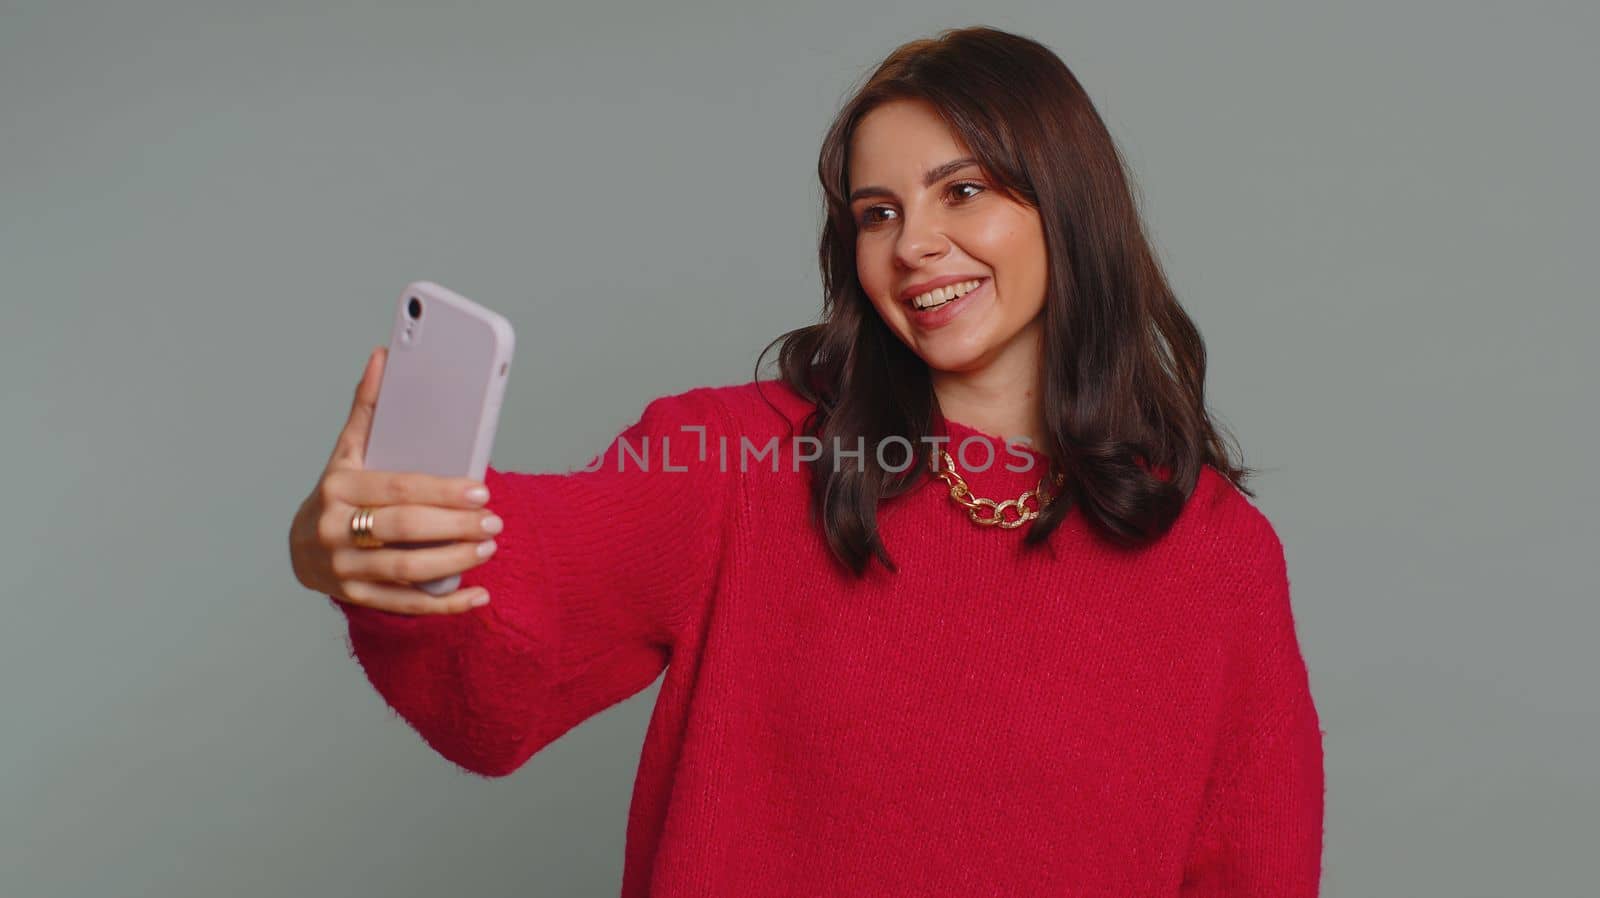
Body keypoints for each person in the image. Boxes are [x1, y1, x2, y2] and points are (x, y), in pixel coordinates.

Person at [288, 25, 1325, 898]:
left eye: (960, 192)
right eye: (877, 213)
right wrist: (352, 538)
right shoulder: (738, 460)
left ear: (1067, 206)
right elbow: (496, 627)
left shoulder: (1219, 557)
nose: (912, 243)